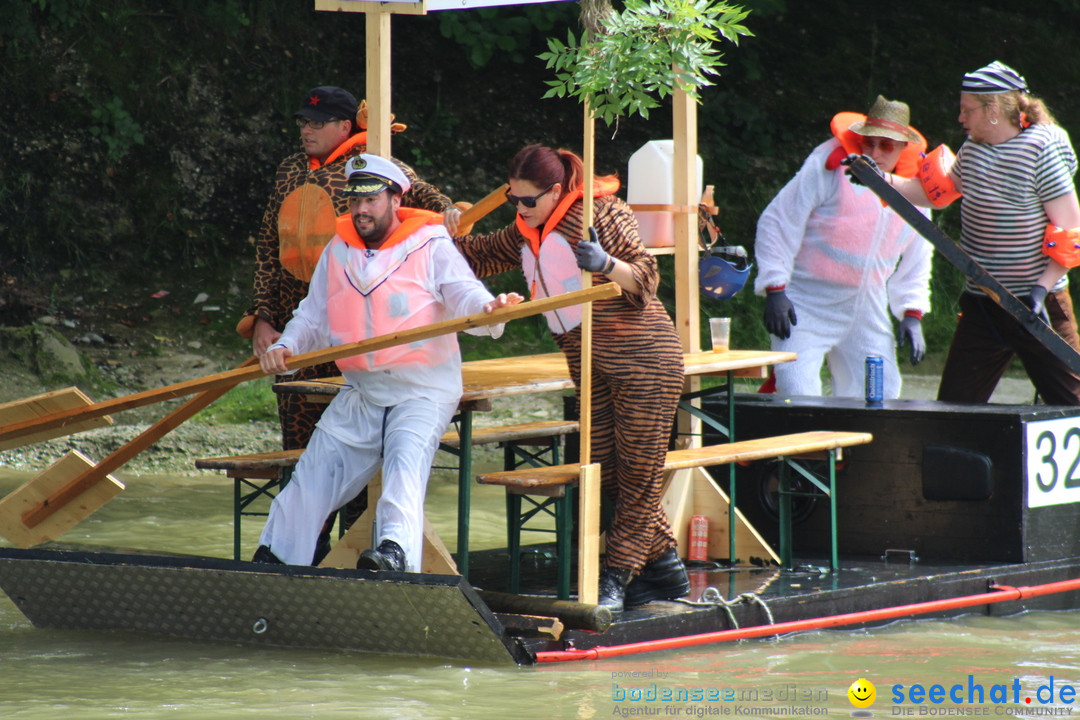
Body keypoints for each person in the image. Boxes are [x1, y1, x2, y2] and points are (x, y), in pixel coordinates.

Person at [252, 154, 522, 570]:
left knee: (404, 467)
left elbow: (464, 295)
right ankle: (275, 562)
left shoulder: (431, 244)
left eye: (371, 200)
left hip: (422, 389)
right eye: (354, 201)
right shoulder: (338, 250)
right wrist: (285, 349)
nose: (361, 210)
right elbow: (312, 315)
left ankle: (394, 556)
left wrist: (491, 309)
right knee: (310, 476)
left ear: (396, 199)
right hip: (363, 390)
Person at [450, 144, 689, 612]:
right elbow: (471, 256)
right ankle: (665, 571)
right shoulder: (524, 230)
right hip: (587, 362)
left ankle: (615, 577)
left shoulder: (597, 215)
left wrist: (605, 264)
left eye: (528, 201)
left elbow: (647, 276)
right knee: (605, 475)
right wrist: (437, 227)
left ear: (556, 191)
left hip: (645, 358)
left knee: (638, 477)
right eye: (513, 199)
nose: (520, 209)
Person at [238, 86, 458, 558]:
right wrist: (264, 316)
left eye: (317, 124)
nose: (306, 130)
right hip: (304, 328)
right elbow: (266, 246)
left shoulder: (373, 168)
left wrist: (453, 214)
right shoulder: (290, 170)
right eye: (303, 122)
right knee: (307, 453)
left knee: (362, 456)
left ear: (345, 126)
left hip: (363, 332)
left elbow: (427, 205)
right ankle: (299, 553)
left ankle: (364, 556)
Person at [885, 62, 1080, 405]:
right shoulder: (972, 151)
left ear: (992, 110)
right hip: (983, 304)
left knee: (1073, 405)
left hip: (1038, 306)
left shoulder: (1040, 150)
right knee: (956, 410)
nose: (960, 118)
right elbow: (935, 194)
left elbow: (1073, 234)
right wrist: (880, 178)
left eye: (967, 110)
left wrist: (1040, 289)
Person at [754, 95, 934, 399]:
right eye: (869, 143)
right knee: (795, 390)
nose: (875, 152)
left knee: (882, 391)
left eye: (886, 145)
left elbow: (919, 257)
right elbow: (779, 220)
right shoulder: (827, 166)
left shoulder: (914, 188)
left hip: (866, 302)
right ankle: (801, 446)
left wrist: (912, 314)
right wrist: (775, 287)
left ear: (904, 147)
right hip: (807, 300)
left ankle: (857, 449)